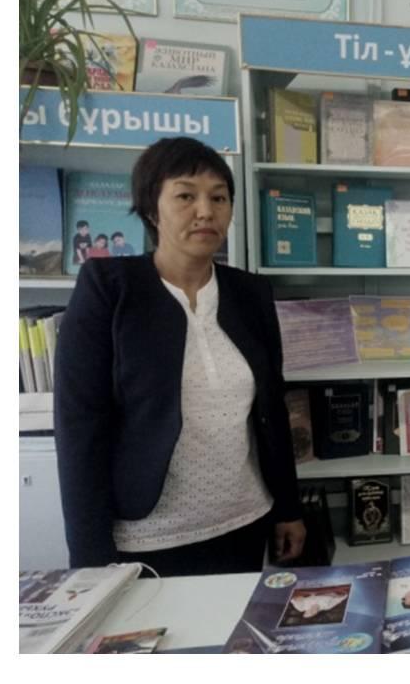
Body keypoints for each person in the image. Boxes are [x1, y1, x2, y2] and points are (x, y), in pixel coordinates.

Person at [54, 136, 306, 577]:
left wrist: (288, 507)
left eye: (219, 198)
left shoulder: (250, 293)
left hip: (244, 519)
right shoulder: (109, 287)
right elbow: (80, 426)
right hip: (146, 536)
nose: (205, 211)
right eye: (186, 196)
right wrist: (89, 556)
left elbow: (271, 409)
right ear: (152, 209)